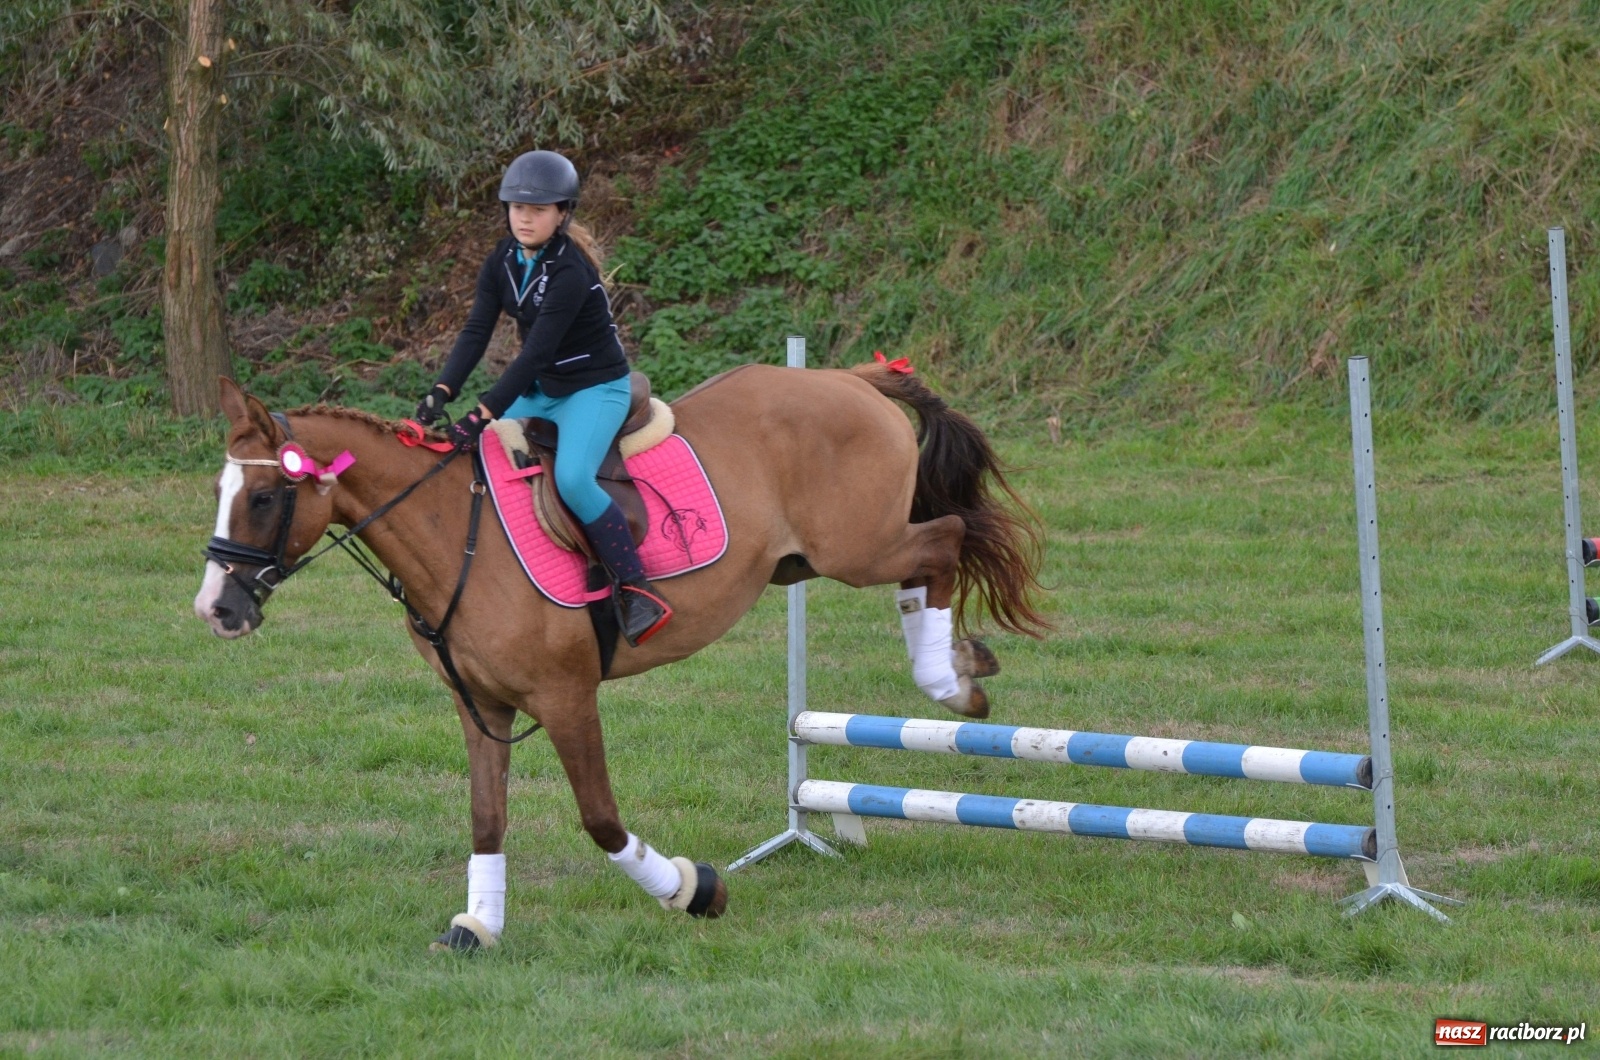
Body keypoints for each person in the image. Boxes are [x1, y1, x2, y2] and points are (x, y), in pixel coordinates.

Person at [414, 149, 670, 646]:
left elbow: (533, 354)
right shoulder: (502, 262)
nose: (524, 217)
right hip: (543, 390)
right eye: (516, 207)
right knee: (480, 458)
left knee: (573, 478)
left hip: (595, 389)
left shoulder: (571, 272)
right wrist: (442, 391)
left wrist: (483, 412)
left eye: (538, 209)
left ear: (562, 213)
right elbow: (475, 331)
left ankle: (636, 588)